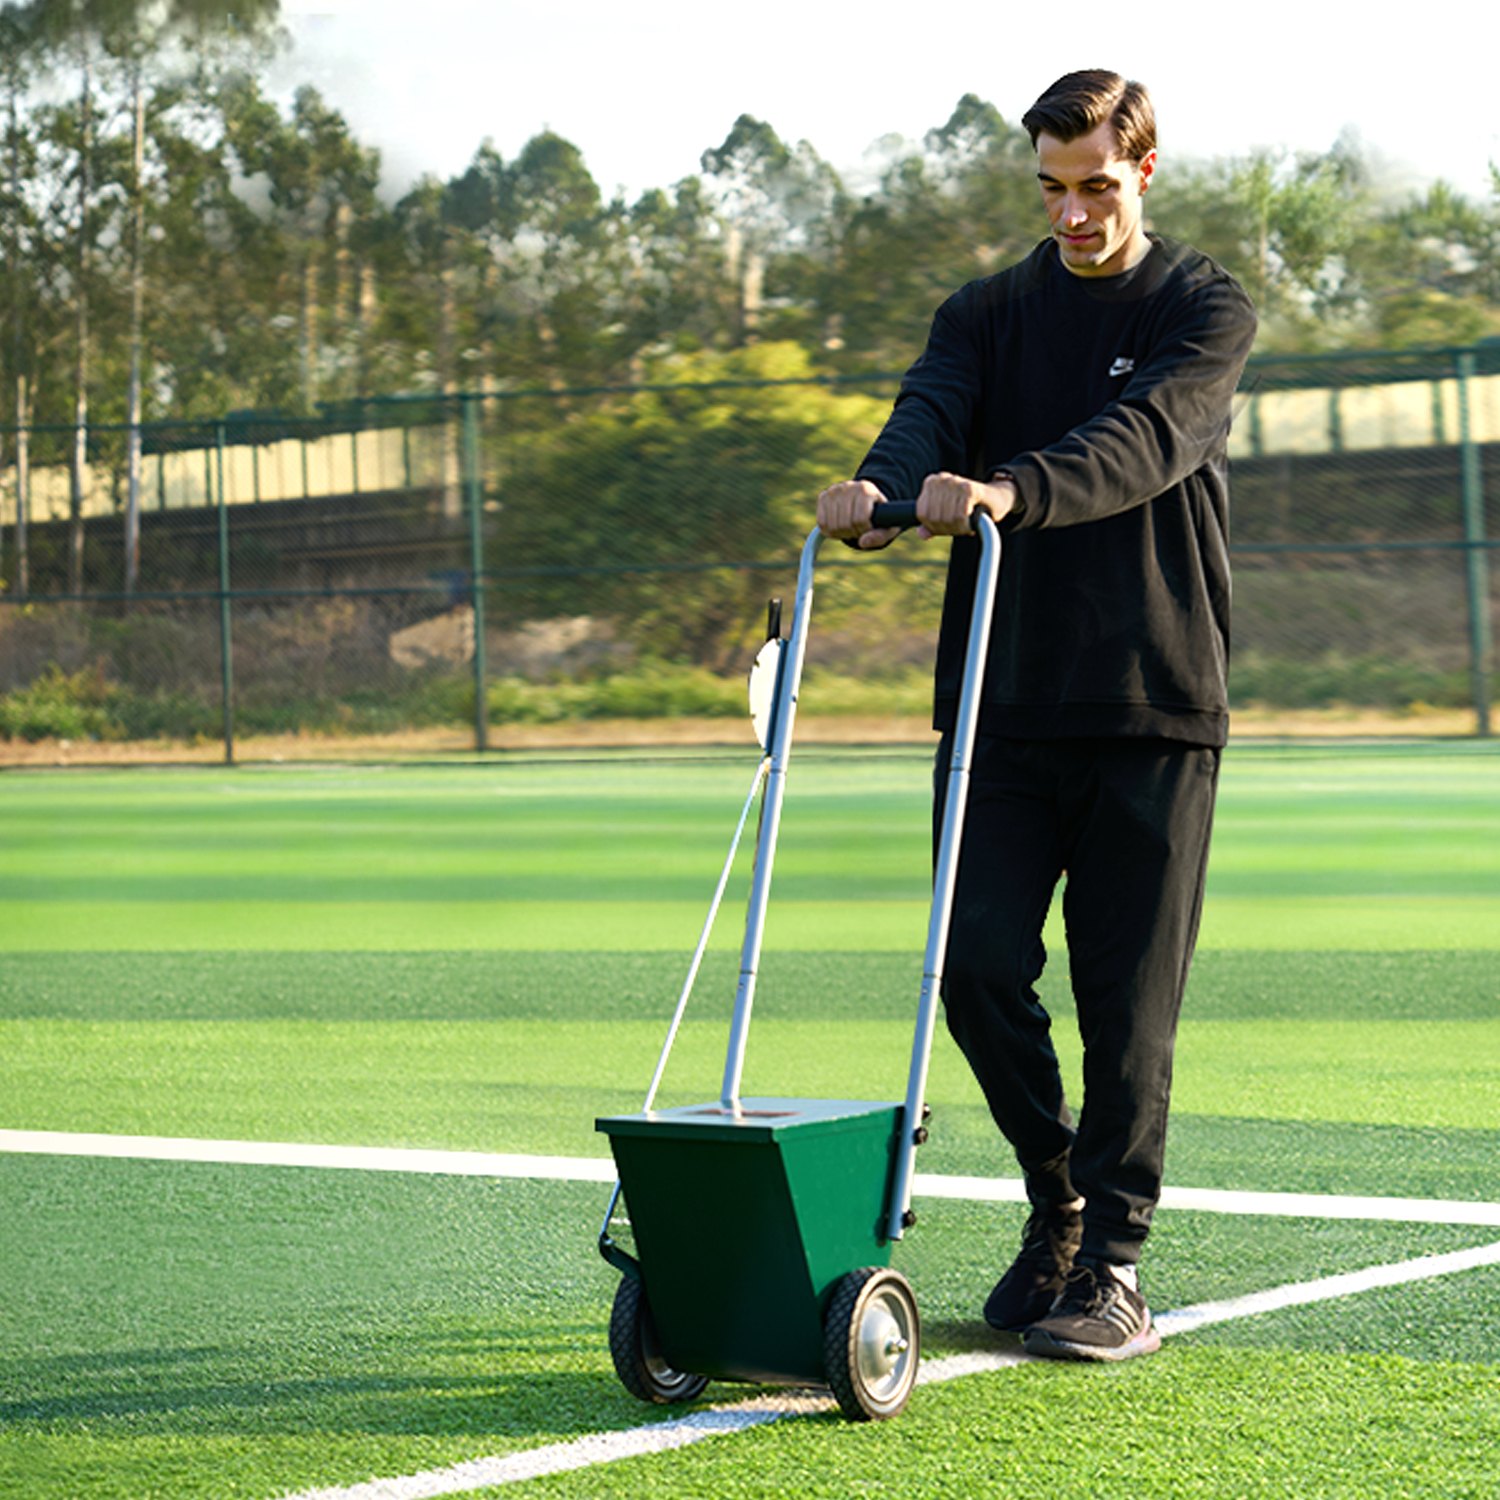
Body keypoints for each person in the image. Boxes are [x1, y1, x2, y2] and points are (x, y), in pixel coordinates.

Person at [817, 69, 1257, 1362]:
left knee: (1130, 1006)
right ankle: (1055, 1191)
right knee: (974, 966)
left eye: (1097, 188)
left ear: (1146, 171)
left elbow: (1146, 440)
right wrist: (879, 494)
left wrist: (1011, 490)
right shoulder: (989, 310)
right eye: (1053, 190)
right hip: (1003, 709)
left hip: (1151, 706)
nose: (1073, 214)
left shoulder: (1203, 308)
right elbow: (925, 416)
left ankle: (1114, 1267)